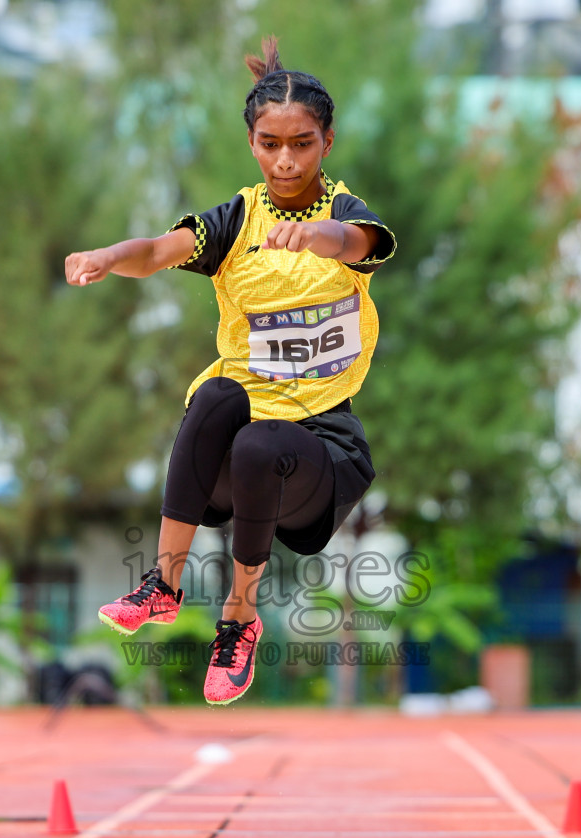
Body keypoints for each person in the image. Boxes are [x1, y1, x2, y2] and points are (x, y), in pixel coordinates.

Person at [65, 37, 396, 705]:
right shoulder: (237, 220)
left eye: (301, 143)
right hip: (232, 459)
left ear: (326, 142)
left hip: (320, 455)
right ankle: (163, 584)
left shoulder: (344, 215)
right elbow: (158, 250)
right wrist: (108, 253)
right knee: (218, 397)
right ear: (252, 142)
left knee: (260, 441)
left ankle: (239, 617)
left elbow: (358, 243)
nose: (285, 159)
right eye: (270, 143)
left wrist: (316, 236)